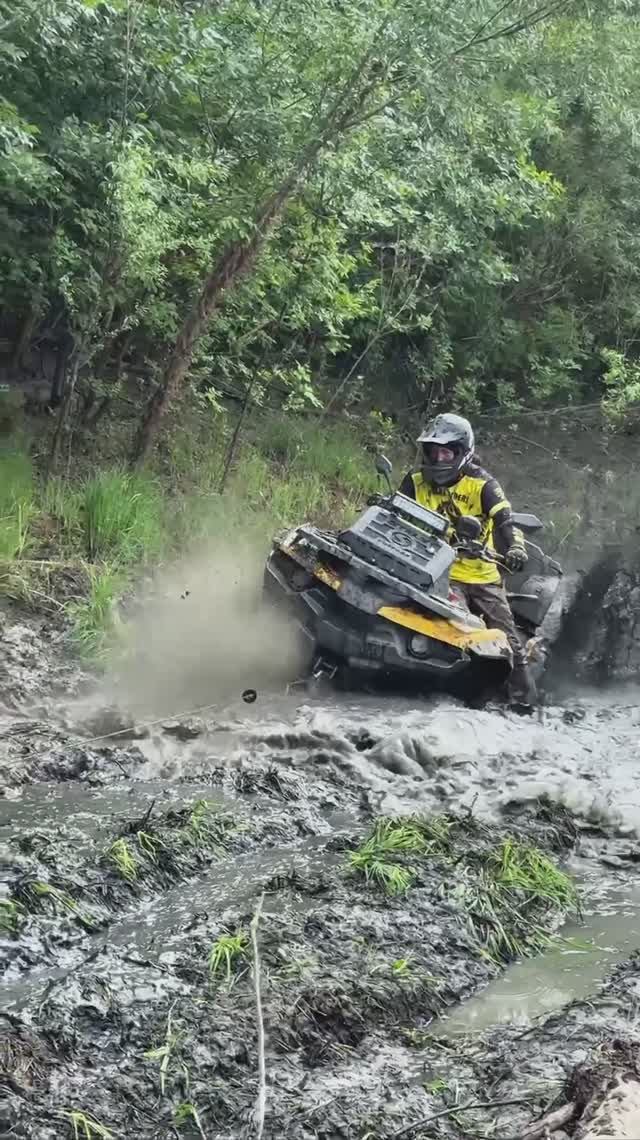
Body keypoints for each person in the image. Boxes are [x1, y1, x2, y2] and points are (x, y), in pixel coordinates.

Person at [399, 412, 536, 707]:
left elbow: (505, 521)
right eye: (434, 452)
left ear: (463, 452)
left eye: (446, 452)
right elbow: (394, 516)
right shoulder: (415, 481)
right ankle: (442, 689)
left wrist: (515, 549)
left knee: (509, 641)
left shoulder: (484, 484)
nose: (439, 460)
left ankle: (523, 703)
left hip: (482, 574)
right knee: (454, 630)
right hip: (438, 572)